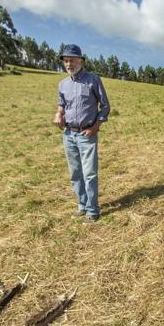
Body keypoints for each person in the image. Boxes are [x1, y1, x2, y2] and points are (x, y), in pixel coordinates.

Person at [53, 44, 110, 224]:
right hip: (69, 135)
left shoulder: (93, 80)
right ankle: (82, 205)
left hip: (87, 134)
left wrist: (96, 126)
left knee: (89, 173)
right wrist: (58, 114)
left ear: (81, 61)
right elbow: (62, 105)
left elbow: (105, 106)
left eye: (72, 60)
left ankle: (93, 211)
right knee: (75, 173)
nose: (68, 64)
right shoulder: (62, 85)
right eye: (66, 61)